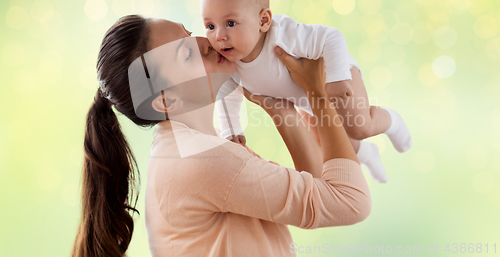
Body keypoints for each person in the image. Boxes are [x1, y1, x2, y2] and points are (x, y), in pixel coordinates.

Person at [71, 14, 371, 257]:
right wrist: (316, 92)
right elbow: (350, 201)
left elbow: (314, 198)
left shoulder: (186, 150)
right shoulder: (202, 160)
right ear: (165, 101)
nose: (206, 42)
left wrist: (280, 109)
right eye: (186, 53)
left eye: (189, 32)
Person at [200, 0, 413, 183]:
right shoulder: (229, 63)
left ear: (263, 21)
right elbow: (227, 94)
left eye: (230, 23)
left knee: (358, 126)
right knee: (325, 141)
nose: (219, 36)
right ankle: (367, 153)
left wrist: (337, 78)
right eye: (210, 26)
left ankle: (393, 121)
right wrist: (231, 130)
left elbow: (331, 37)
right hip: (307, 100)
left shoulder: (283, 35)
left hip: (336, 75)